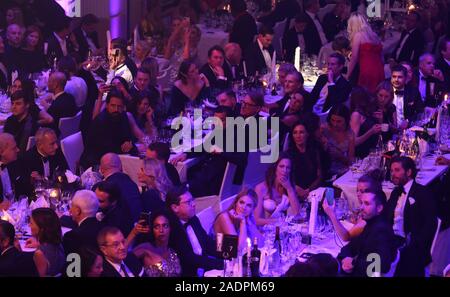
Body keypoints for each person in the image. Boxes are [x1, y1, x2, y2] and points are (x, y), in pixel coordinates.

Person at [385, 156, 438, 277]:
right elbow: (386, 217)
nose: (392, 174)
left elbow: (430, 224)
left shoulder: (423, 193)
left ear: (408, 172)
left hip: (412, 247)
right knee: (372, 256)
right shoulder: (395, 192)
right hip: (393, 243)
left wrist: (413, 243)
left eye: (397, 170)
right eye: (392, 170)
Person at [166, 185, 223, 276]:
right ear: (175, 208)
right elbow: (189, 259)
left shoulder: (193, 219)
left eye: (192, 200)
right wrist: (220, 264)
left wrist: (227, 252)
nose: (194, 204)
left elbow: (207, 243)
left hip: (203, 266)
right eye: (188, 202)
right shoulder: (172, 229)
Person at [337, 190, 397, 276]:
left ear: (379, 208)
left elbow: (383, 264)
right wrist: (345, 258)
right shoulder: (369, 223)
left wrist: (353, 263)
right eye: (361, 203)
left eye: (367, 204)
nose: (361, 207)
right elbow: (351, 246)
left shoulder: (381, 230)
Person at [82, 90, 138, 167]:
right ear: (107, 105)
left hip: (117, 157)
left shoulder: (123, 116)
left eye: (119, 106)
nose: (116, 109)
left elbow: (128, 137)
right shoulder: (100, 122)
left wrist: (129, 144)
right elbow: (102, 150)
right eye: (113, 106)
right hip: (98, 163)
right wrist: (123, 148)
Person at [323, 171, 383, 241]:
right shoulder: (369, 210)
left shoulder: (369, 218)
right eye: (357, 190)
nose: (358, 194)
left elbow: (345, 237)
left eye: (363, 191)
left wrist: (332, 214)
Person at [128, 209, 182, 277]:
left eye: (165, 226)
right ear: (152, 230)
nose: (161, 230)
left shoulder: (172, 250)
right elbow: (122, 257)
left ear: (170, 228)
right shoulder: (146, 248)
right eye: (157, 227)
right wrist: (133, 233)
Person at [254, 153, 301, 226]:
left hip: (282, 229)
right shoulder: (261, 188)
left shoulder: (291, 187)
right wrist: (279, 222)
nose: (285, 170)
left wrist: (289, 189)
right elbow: (256, 220)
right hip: (264, 230)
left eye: (288, 168)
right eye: (281, 166)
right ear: (275, 168)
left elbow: (298, 214)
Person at [214, 188, 263, 252]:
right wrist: (243, 222)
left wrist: (250, 224)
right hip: (220, 255)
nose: (244, 207)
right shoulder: (224, 217)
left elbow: (261, 243)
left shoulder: (247, 217)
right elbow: (240, 249)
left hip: (232, 254)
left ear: (252, 209)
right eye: (241, 202)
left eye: (249, 205)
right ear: (235, 203)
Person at [346, 12, 384, 93]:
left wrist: (347, 75)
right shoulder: (374, 35)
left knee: (365, 96)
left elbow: (354, 58)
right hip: (379, 69)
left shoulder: (358, 35)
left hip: (367, 70)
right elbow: (382, 57)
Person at [100, 153, 142, 222]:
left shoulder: (102, 189)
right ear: (121, 167)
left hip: (115, 229)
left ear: (101, 170)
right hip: (137, 225)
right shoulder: (132, 184)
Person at [287, 121, 322, 199]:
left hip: (313, 191)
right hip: (295, 192)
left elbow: (319, 176)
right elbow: (285, 178)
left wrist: (308, 190)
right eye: (295, 133)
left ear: (307, 134)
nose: (298, 136)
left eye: (301, 132)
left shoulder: (314, 151)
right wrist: (297, 189)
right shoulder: (288, 154)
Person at [25, 208, 65, 277]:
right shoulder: (59, 243)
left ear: (41, 228)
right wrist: (39, 244)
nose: (29, 225)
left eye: (31, 223)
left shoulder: (39, 254)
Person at [62, 190, 103, 255]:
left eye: (71, 206)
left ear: (78, 211)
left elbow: (72, 264)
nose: (70, 210)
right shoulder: (104, 228)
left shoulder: (72, 237)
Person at [321, 104, 355, 177]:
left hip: (342, 171)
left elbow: (350, 161)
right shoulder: (324, 129)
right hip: (325, 169)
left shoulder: (350, 134)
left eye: (339, 121)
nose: (335, 124)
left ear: (346, 120)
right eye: (332, 120)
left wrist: (340, 156)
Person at [0, 133, 31, 206]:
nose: (18, 150)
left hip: (18, 208)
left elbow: (25, 190)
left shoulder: (17, 163)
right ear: (1, 152)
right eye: (14, 148)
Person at [349, 87, 381, 159]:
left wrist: (379, 121)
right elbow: (354, 142)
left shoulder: (366, 112)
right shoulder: (356, 115)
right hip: (362, 155)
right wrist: (371, 131)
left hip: (371, 153)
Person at [390, 64, 424, 129]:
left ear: (405, 78)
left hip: (408, 130)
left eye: (400, 77)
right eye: (394, 77)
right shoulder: (386, 91)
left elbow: (420, 112)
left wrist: (408, 121)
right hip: (389, 131)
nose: (396, 79)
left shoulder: (413, 92)